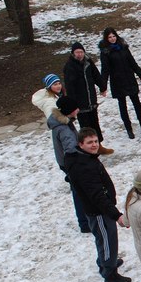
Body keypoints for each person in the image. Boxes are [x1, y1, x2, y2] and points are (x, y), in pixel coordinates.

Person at [65, 127, 132, 282]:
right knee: (107, 240)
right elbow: (97, 195)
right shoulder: (84, 166)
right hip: (99, 211)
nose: (94, 145)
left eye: (96, 141)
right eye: (90, 142)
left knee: (104, 239)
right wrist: (116, 215)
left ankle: (106, 260)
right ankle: (109, 272)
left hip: (101, 209)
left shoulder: (85, 158)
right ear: (81, 144)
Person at [98, 27, 141, 139]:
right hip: (117, 82)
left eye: (114, 36)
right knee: (122, 106)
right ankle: (129, 129)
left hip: (129, 79)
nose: (112, 39)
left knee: (136, 103)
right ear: (106, 39)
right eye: (110, 37)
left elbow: (133, 63)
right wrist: (103, 87)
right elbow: (105, 70)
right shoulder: (105, 52)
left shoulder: (123, 47)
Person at [48, 95, 89, 233]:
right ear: (69, 110)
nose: (78, 110)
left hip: (66, 163)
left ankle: (84, 220)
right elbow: (71, 149)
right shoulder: (64, 129)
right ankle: (84, 223)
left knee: (78, 190)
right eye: (75, 108)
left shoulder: (61, 122)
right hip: (72, 164)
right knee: (79, 191)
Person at [63, 42, 112, 155]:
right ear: (73, 53)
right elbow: (70, 87)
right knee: (85, 128)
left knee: (95, 124)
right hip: (80, 104)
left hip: (91, 100)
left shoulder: (88, 62)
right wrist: (73, 106)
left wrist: (102, 87)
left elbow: (96, 75)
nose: (79, 54)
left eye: (81, 52)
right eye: (77, 52)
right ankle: (88, 150)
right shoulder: (69, 66)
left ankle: (99, 146)